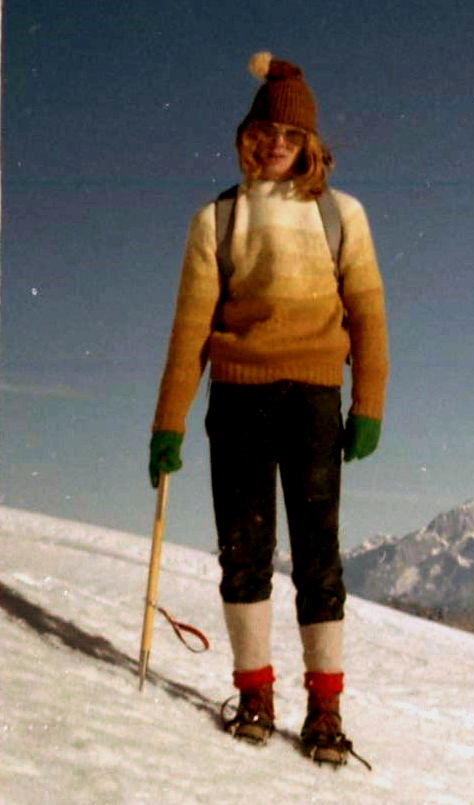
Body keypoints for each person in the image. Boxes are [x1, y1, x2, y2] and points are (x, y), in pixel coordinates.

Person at [148, 51, 388, 766]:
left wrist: (367, 401)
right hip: (238, 399)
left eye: (292, 135)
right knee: (244, 555)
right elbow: (191, 327)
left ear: (312, 145)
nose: (277, 143)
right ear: (248, 138)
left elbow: (369, 314)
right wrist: (168, 421)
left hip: (315, 398)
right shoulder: (216, 219)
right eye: (266, 133)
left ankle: (325, 708)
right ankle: (254, 692)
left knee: (319, 558)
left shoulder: (343, 217)